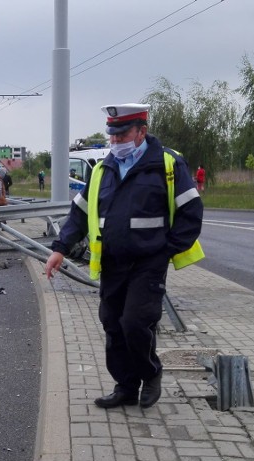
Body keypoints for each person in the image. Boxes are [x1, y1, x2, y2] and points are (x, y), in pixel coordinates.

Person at [45, 103, 204, 410]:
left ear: (141, 131)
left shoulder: (167, 164)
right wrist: (59, 249)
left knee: (134, 322)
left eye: (122, 135)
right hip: (112, 263)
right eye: (112, 136)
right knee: (113, 325)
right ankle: (126, 386)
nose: (115, 141)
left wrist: (166, 249)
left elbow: (191, 212)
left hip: (148, 264)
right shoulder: (103, 169)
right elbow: (79, 214)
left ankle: (151, 374)